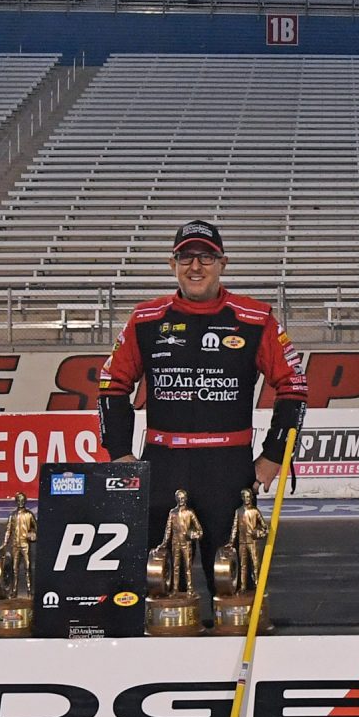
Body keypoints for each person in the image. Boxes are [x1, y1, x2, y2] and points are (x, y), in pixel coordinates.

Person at [100, 220, 308, 598]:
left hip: (227, 468)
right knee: (156, 587)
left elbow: (294, 385)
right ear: (172, 264)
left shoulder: (255, 318)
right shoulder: (146, 319)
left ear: (223, 263)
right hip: (163, 464)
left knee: (235, 589)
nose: (195, 267)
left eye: (206, 257)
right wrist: (119, 452)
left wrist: (275, 455)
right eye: (186, 257)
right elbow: (111, 384)